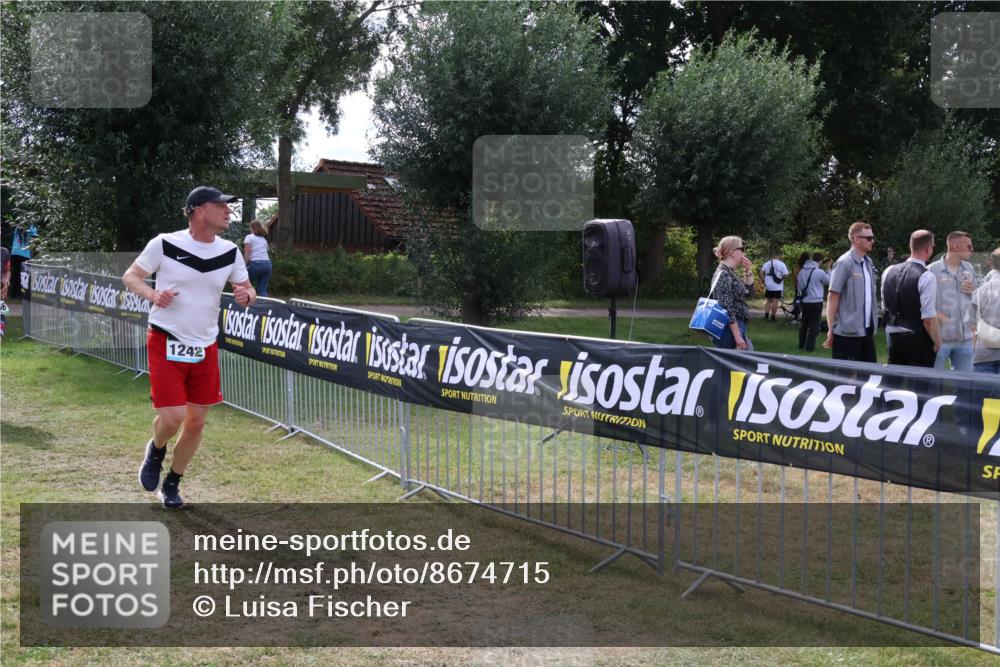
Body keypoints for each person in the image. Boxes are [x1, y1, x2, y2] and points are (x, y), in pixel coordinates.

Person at [122, 186, 256, 508]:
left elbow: (248, 290)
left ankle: (172, 483)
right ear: (198, 210)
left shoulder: (230, 251)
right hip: (166, 338)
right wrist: (153, 295)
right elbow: (131, 276)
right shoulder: (165, 243)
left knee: (196, 421)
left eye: (228, 207)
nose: (228, 211)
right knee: (172, 417)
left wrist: (246, 296)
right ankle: (156, 449)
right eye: (221, 205)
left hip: (205, 344)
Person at [882, 230, 941, 368]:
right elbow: (928, 318)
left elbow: (886, 307)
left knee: (892, 386)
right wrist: (938, 342)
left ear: (911, 246)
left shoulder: (888, 271)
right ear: (928, 248)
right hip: (918, 339)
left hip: (893, 338)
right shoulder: (927, 276)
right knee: (921, 387)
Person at [823, 221, 878, 362]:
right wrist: (831, 328)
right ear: (855, 239)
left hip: (867, 331)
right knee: (846, 380)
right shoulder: (844, 263)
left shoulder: (868, 262)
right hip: (847, 334)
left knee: (868, 378)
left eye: (872, 237)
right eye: (869, 238)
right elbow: (832, 296)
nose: (873, 241)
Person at [928, 231, 976, 372]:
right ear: (956, 247)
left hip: (965, 338)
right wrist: (938, 315)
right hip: (941, 338)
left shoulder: (969, 268)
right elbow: (922, 304)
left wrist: (974, 290)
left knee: (965, 383)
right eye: (969, 246)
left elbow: (976, 299)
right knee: (933, 381)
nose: (972, 249)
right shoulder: (931, 270)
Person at [711, 236, 756, 350]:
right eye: (742, 249)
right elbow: (726, 307)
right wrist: (737, 336)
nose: (744, 252)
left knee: (740, 363)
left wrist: (748, 271)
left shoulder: (730, 272)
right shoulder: (723, 273)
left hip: (736, 325)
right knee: (738, 364)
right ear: (732, 252)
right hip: (730, 328)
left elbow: (749, 293)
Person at [968, 248, 1000, 374]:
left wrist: (975, 350)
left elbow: (973, 325)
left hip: (983, 354)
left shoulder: (980, 291)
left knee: (982, 393)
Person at [797, 251, 830, 352]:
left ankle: (801, 345)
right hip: (816, 301)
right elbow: (829, 281)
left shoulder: (802, 271)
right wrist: (829, 269)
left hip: (805, 301)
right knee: (814, 325)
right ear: (820, 261)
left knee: (804, 324)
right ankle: (809, 347)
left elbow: (799, 287)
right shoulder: (818, 271)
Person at [243, 219, 272, 297]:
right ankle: (265, 307)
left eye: (250, 227)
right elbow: (265, 251)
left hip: (256, 264)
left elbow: (247, 251)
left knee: (244, 285)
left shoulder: (249, 237)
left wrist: (243, 265)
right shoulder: (263, 239)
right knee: (262, 289)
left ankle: (242, 306)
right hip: (268, 265)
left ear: (252, 228)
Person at [9, 223, 38, 300]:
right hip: (24, 254)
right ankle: (21, 294)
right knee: (24, 275)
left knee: (15, 274)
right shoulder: (32, 228)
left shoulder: (18, 226)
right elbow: (35, 240)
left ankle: (14, 294)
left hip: (15, 253)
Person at [759, 249, 789, 322]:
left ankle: (766, 316)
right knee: (775, 301)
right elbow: (786, 275)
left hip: (768, 286)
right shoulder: (782, 264)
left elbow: (761, 272)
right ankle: (773, 317)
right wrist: (781, 277)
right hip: (777, 286)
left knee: (769, 301)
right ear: (779, 256)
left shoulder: (767, 263)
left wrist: (764, 280)